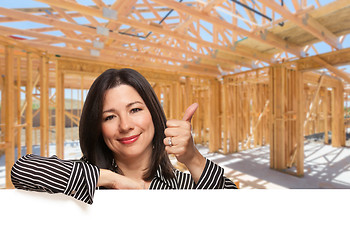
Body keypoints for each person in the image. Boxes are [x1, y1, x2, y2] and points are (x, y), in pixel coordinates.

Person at [11, 68, 237, 204]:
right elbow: (23, 170)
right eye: (109, 117)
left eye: (135, 110)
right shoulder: (83, 181)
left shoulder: (182, 185)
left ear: (153, 115)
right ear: (97, 127)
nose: (125, 125)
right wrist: (114, 180)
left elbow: (240, 214)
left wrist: (193, 158)